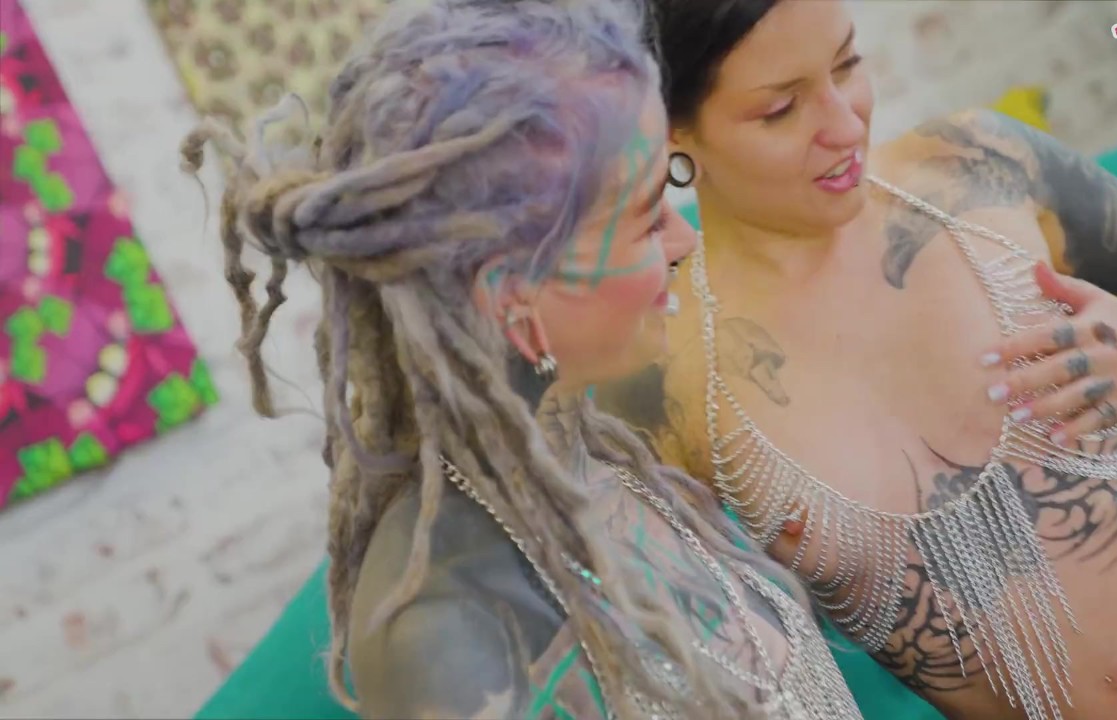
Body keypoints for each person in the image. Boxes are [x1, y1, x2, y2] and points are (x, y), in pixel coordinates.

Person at [178, 1, 867, 718]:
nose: (683, 241)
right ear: (513, 297)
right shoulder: (450, 641)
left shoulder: (606, 459)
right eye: (646, 217)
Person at [597, 1, 1117, 719]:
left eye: (847, 66)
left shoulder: (972, 165)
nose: (845, 123)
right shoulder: (662, 373)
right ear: (671, 129)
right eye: (781, 109)